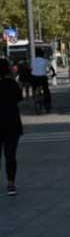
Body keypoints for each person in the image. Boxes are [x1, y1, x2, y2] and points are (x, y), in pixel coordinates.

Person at [0, 60, 22, 196]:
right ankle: (11, 184)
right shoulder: (13, 84)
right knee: (10, 156)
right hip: (12, 123)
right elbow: (19, 98)